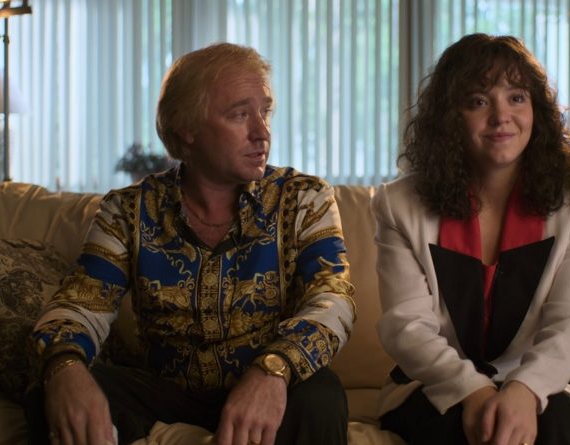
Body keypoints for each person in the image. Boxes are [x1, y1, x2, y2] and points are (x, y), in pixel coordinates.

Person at [24, 42, 356, 445]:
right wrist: (64, 367)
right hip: (165, 393)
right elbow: (81, 302)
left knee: (322, 395)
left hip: (270, 382)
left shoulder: (304, 197)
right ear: (188, 127)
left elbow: (333, 299)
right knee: (52, 392)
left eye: (265, 112)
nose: (262, 132)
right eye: (240, 115)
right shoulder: (127, 210)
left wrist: (274, 368)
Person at [372, 33, 570, 445]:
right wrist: (474, 391)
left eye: (516, 97)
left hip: (544, 384)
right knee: (462, 430)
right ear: (450, 117)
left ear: (537, 110)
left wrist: (525, 389)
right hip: (436, 383)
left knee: (549, 430)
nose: (501, 117)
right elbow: (407, 327)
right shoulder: (397, 205)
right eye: (479, 101)